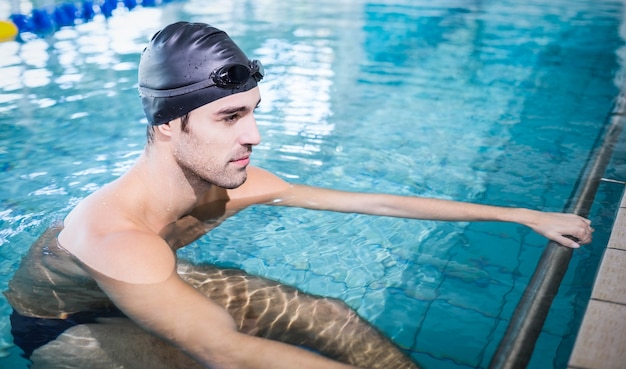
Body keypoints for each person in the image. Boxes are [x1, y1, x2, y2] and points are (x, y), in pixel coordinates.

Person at [4, 21, 594, 369]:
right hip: (66, 323)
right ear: (167, 124)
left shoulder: (223, 185)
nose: (254, 136)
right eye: (230, 117)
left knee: (326, 316)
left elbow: (376, 203)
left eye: (254, 113)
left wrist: (522, 214)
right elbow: (227, 351)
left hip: (153, 277)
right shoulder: (115, 237)